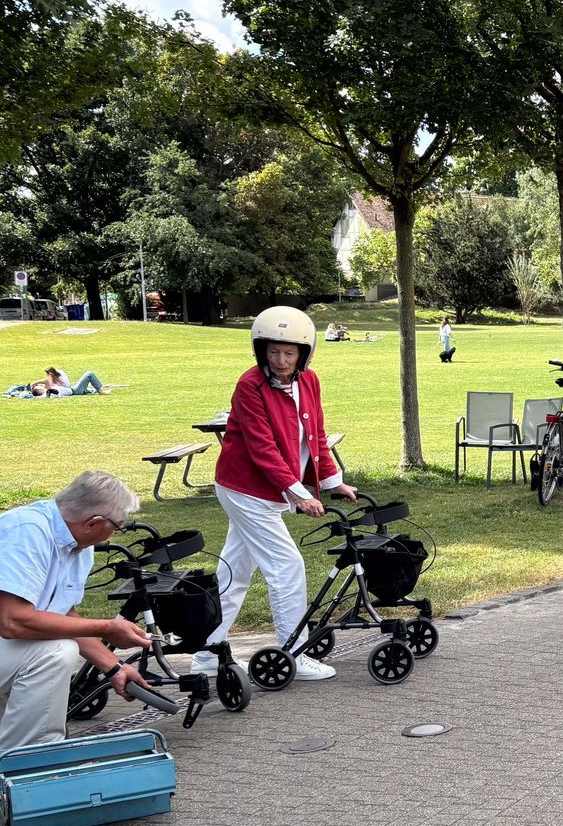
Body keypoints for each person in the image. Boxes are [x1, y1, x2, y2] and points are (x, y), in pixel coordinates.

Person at [191, 307, 355, 682]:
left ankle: (206, 653)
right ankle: (293, 653)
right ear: (261, 350)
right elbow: (262, 448)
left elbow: (315, 436)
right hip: (245, 489)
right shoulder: (250, 386)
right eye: (273, 352)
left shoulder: (309, 381)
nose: (280, 360)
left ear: (304, 354)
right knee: (287, 566)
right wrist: (298, 495)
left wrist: (333, 482)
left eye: (289, 353)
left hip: (267, 491)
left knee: (234, 572)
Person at [0, 471, 155, 755]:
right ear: (93, 522)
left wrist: (115, 667)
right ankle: (33, 758)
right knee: (57, 651)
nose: (115, 534)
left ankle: (20, 760)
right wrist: (106, 628)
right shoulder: (26, 531)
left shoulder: (78, 546)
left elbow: (62, 617)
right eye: (118, 527)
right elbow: (12, 621)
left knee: (56, 647)